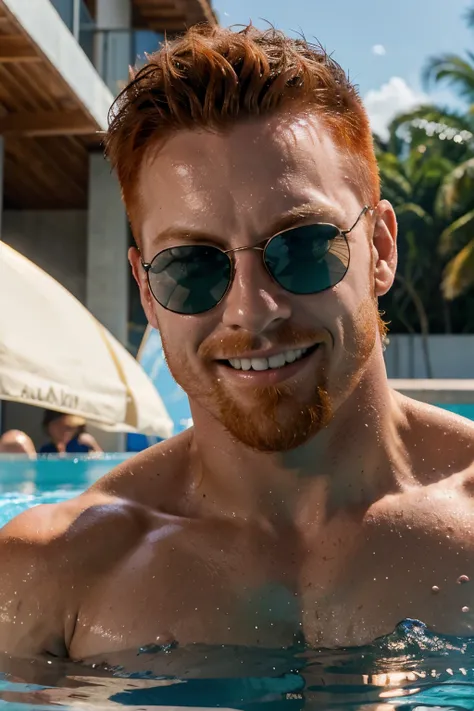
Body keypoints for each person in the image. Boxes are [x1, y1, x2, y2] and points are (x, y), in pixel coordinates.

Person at [0, 24, 473, 664]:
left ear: (381, 249)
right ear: (146, 288)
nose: (252, 310)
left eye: (304, 247)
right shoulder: (50, 576)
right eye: (192, 267)